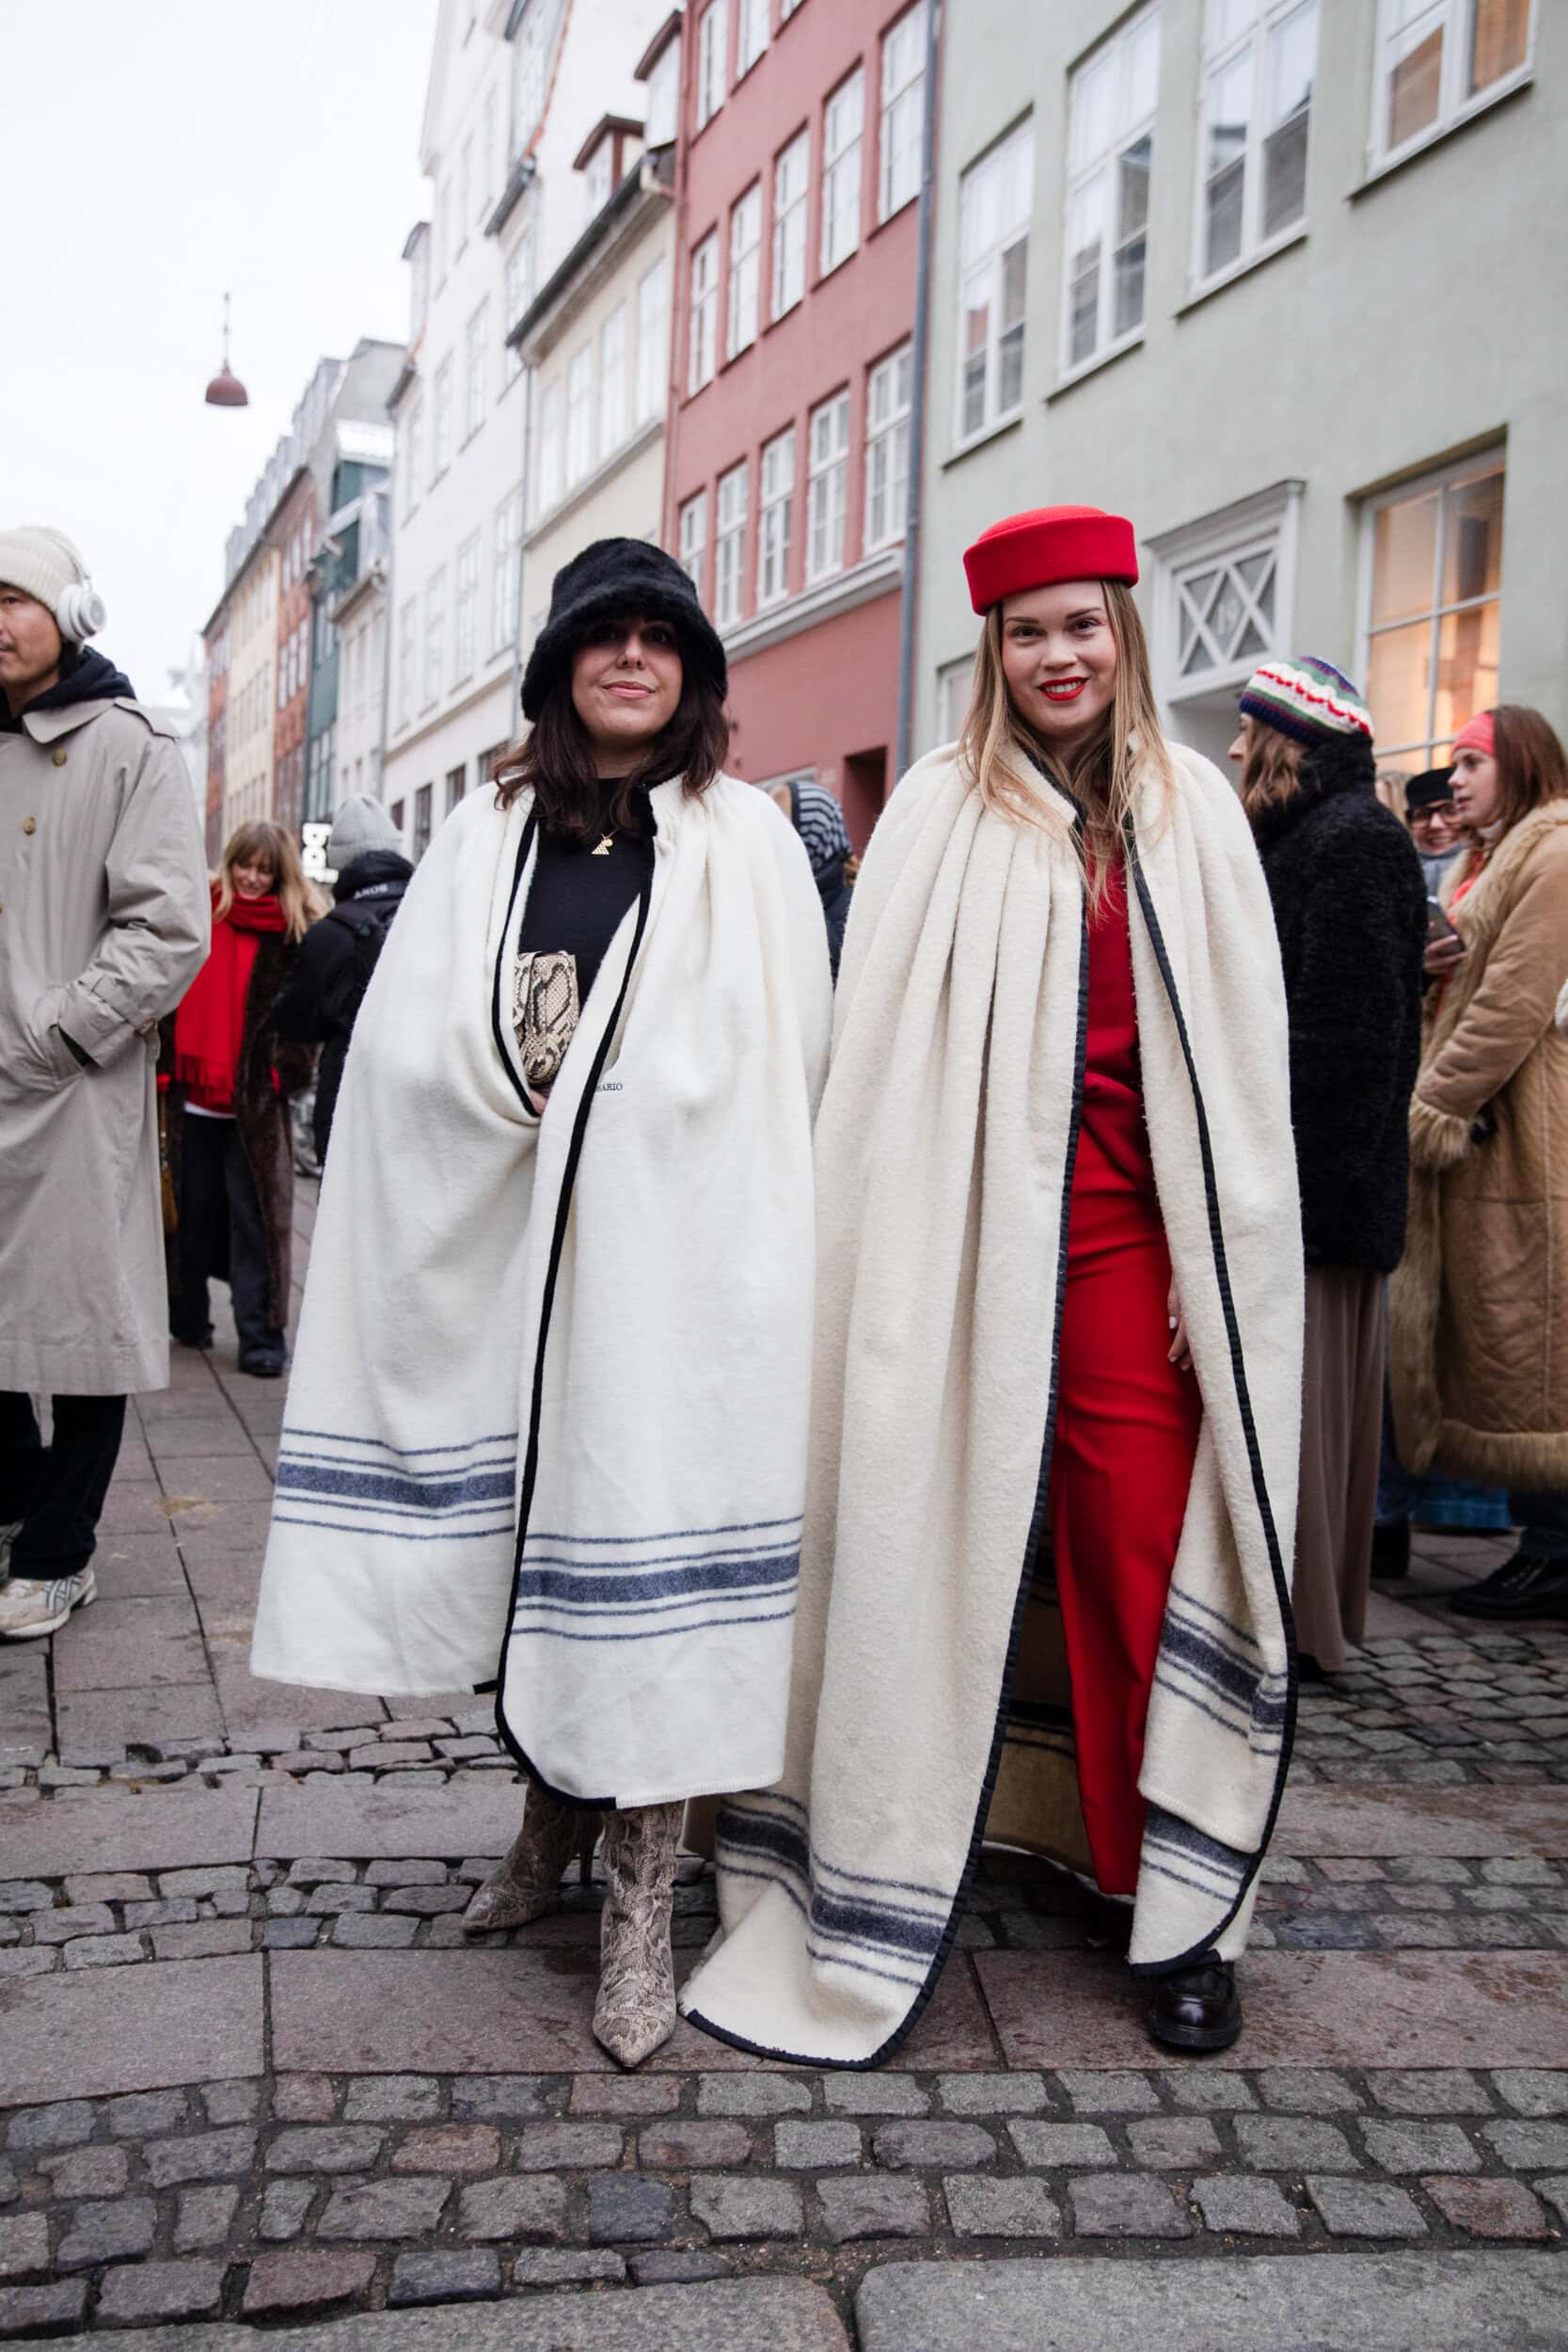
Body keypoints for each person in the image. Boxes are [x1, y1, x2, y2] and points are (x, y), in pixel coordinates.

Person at [680, 506, 1303, 2065]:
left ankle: (1173, 1902)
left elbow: (1241, 1070)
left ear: (1123, 632)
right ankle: (876, 1847)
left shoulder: (1194, 809)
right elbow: (877, 1062)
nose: (1057, 657)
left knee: (1134, 1544)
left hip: (1131, 1245)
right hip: (952, 1230)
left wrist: (1213, 1254)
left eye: (1080, 626)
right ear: (993, 652)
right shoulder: (938, 813)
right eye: (1027, 634)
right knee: (908, 1520)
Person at [250, 538, 832, 2066]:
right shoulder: (486, 833)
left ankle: (641, 1902)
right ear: (561, 664)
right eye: (603, 635)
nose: (631, 657)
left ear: (692, 672)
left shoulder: (749, 843)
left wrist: (643, 1120)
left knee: (646, 1559)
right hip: (510, 1251)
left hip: (683, 1274)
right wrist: (520, 1095)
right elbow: (403, 1053)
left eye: (660, 637)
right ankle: (547, 1821)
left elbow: (792, 1064)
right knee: (533, 1560)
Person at [0, 526, 209, 1638]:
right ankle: (18, 1508)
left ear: (70, 613)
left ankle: (57, 1552)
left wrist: (61, 1034)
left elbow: (169, 925)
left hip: (69, 1088)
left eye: (13, 598)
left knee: (82, 1327)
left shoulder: (131, 743)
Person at [1228, 660, 1426, 1675]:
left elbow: (1346, 1039)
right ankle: (1293, 1615)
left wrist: (1284, 1189)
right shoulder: (1309, 835)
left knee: (1307, 1413)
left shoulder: (1350, 840)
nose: (1231, 746)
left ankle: (1303, 1626)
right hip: (1307, 1178)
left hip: (1318, 1189)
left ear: (1287, 740)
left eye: (1247, 727)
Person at [1390, 706, 1568, 1621]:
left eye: (1469, 762)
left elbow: (1513, 1002)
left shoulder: (1552, 851)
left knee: (1538, 1339)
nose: (1452, 781)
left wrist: (1433, 1106)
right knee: (1511, 1332)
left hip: (1525, 1129)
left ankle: (1553, 1549)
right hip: (1491, 1128)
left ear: (1520, 763)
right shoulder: (1490, 857)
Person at [165, 824, 321, 1377]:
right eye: (244, 865)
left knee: (256, 1223)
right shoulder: (197, 913)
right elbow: (167, 992)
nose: (252, 878)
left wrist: (283, 1073)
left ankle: (260, 1337)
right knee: (190, 1214)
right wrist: (162, 1065)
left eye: (264, 870)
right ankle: (187, 1318)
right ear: (229, 863)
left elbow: (304, 1017)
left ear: (280, 876)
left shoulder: (294, 932)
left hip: (254, 1104)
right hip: (190, 1096)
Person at [270, 794, 413, 1166]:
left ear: (339, 861)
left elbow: (294, 1021)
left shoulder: (328, 934)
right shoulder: (432, 912)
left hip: (349, 1094)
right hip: (420, 1093)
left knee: (344, 1194)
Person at [768, 776, 855, 975]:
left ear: (816, 833)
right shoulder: (771, 892)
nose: (773, 838)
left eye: (784, 826)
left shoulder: (855, 908)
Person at [1406, 766, 1465, 898]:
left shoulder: (1494, 874)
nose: (1435, 825)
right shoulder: (1395, 876)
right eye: (1423, 815)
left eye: (1451, 812)